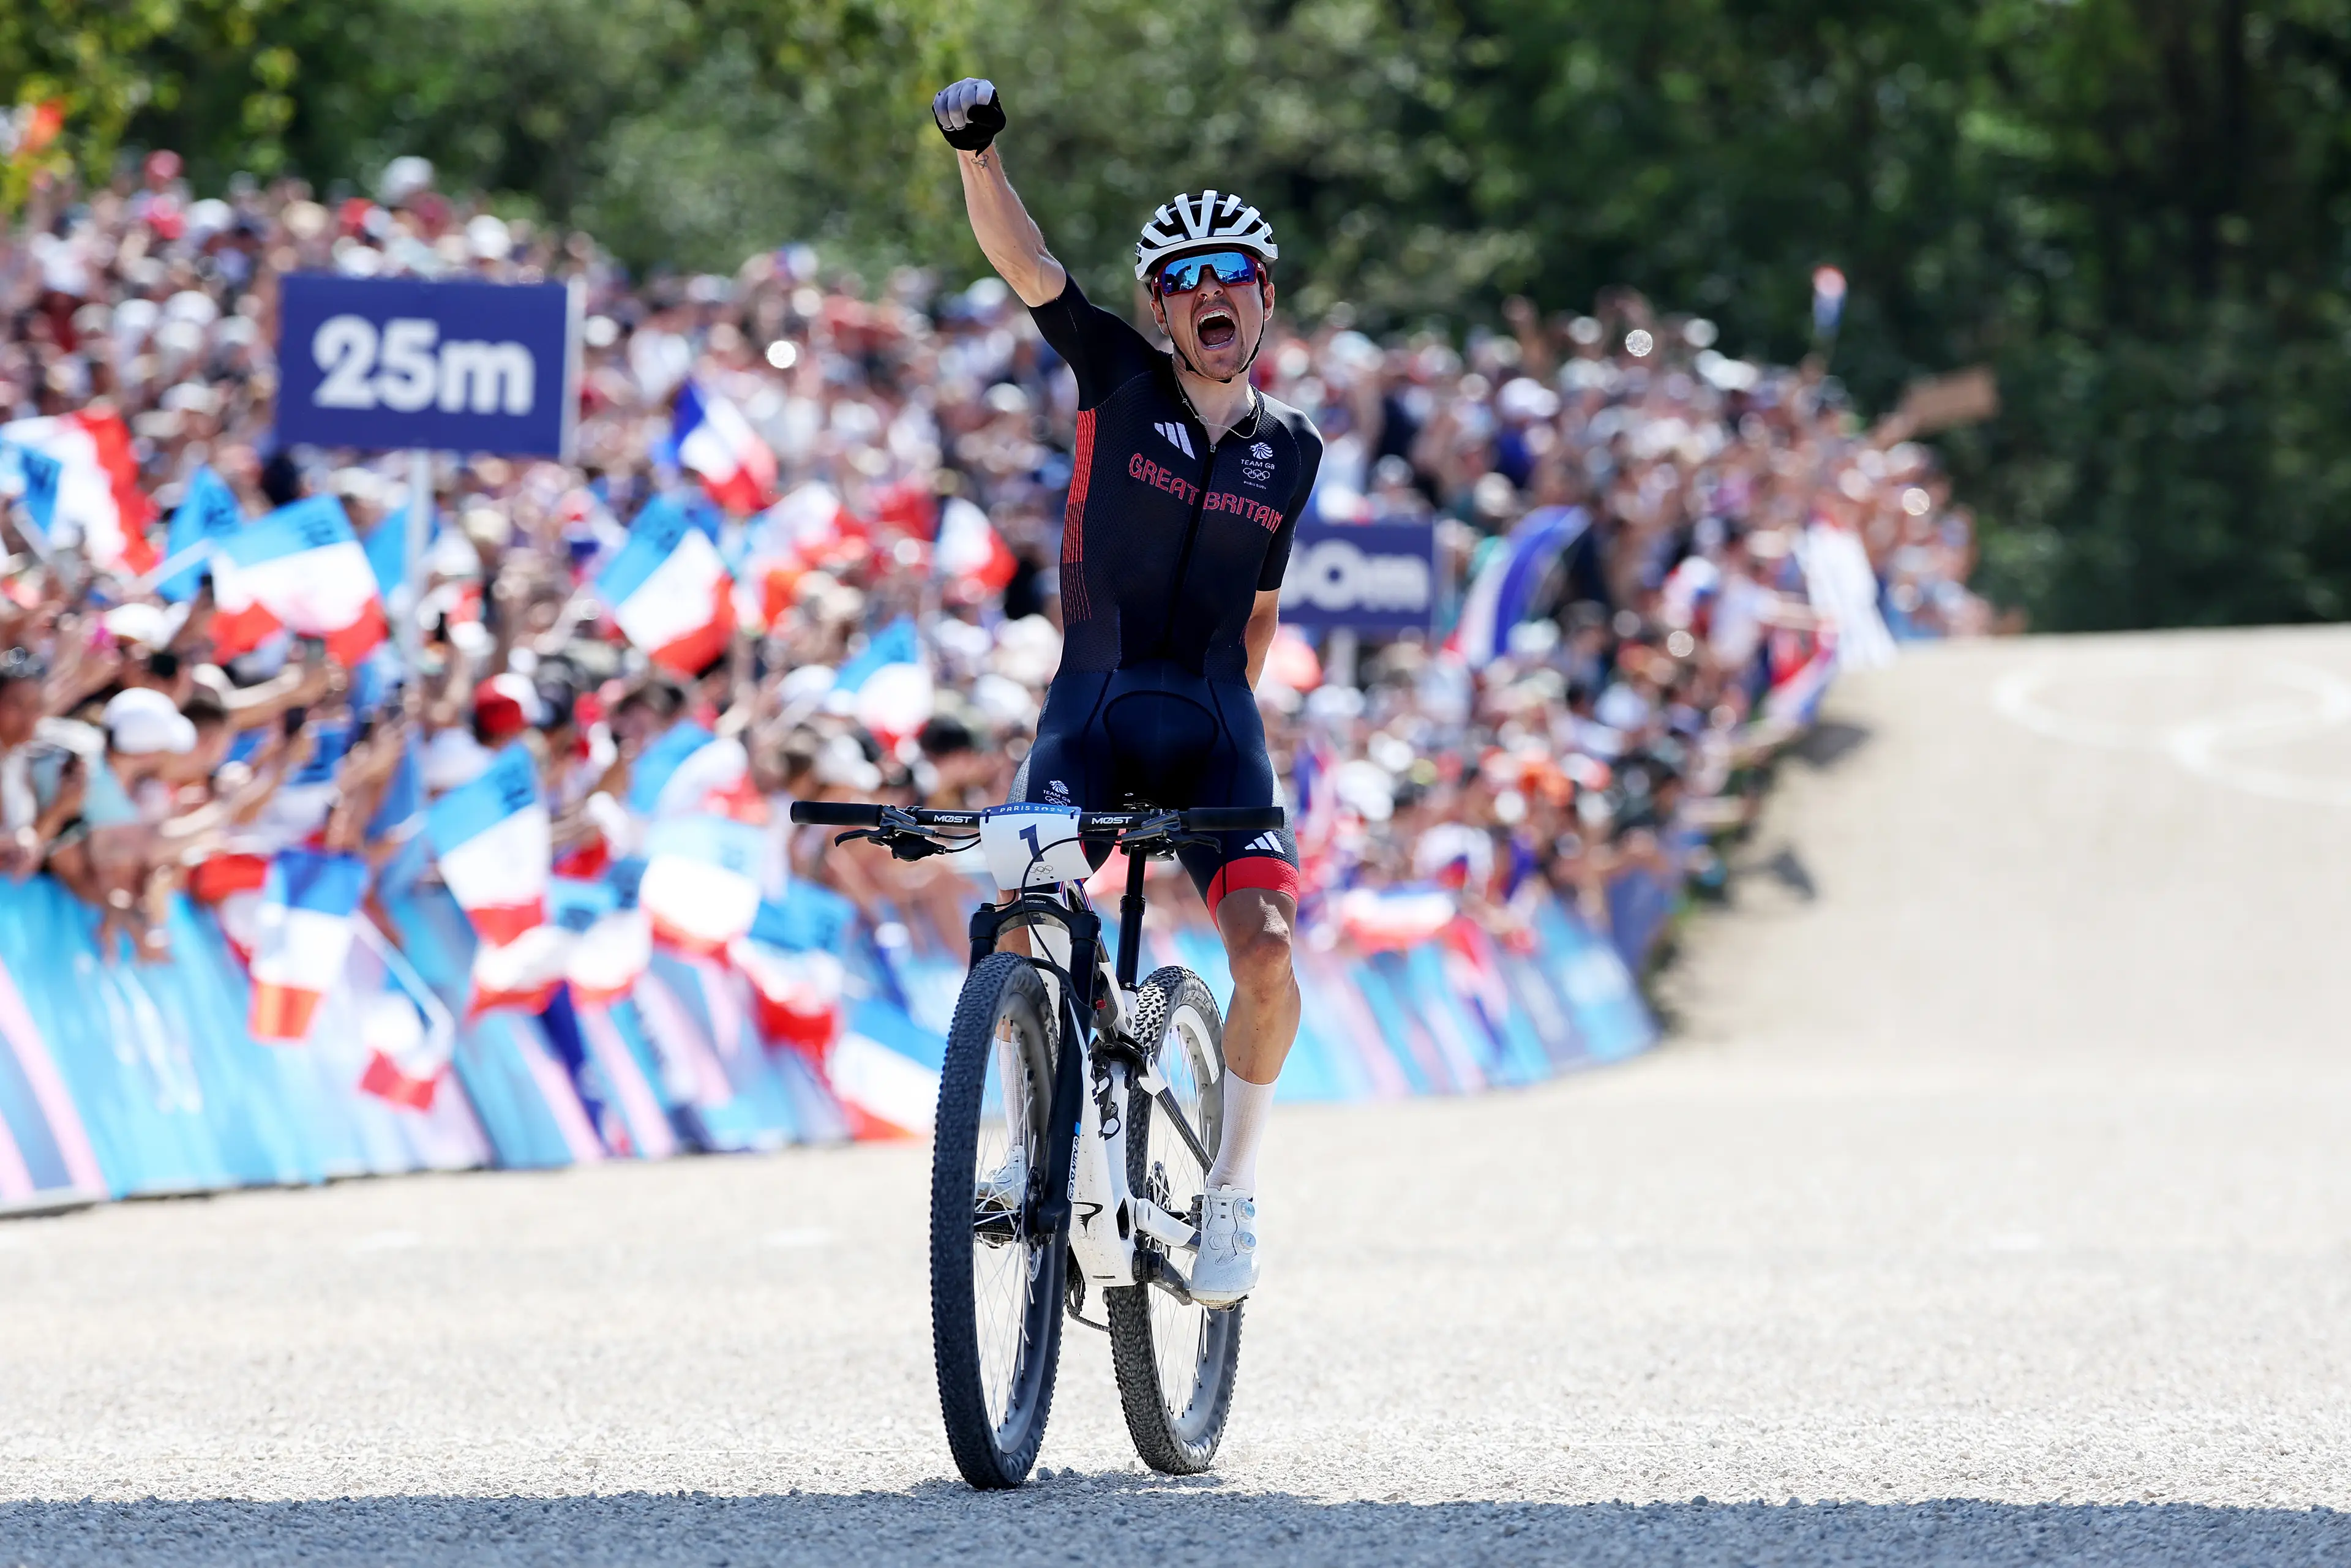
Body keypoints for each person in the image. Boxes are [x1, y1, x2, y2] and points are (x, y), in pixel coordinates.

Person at [934, 77, 1324, 1305]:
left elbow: (1258, 611)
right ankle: (1026, 1132)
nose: (1211, 293)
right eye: (1185, 279)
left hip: (1214, 725)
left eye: (1234, 274)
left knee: (1265, 949)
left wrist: (1234, 753)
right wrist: (978, 154)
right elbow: (1026, 259)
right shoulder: (1115, 374)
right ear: (1162, 306)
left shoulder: (1294, 448)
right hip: (1092, 709)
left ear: (1263, 298)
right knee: (1024, 900)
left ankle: (1234, 1189)